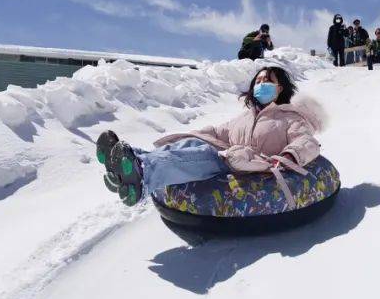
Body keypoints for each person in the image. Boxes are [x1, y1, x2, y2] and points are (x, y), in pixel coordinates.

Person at [97, 66, 324, 206]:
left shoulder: (290, 118)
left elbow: (306, 141)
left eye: (268, 81)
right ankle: (126, 161)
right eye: (258, 81)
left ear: (280, 88)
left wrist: (289, 156)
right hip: (233, 157)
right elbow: (218, 132)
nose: (261, 84)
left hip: (253, 166)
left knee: (206, 154)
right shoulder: (245, 117)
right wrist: (191, 136)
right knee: (195, 144)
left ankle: (142, 172)